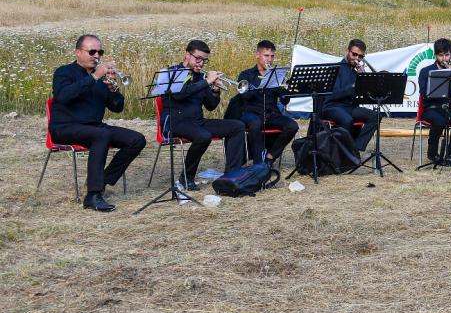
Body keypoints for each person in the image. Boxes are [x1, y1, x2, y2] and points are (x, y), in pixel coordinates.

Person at [49, 34, 146, 212]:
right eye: (92, 51)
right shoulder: (64, 72)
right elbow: (63, 96)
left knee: (137, 139)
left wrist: (113, 90)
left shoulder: (101, 79)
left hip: (93, 127)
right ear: (78, 52)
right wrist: (94, 77)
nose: (97, 56)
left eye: (100, 52)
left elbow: (117, 108)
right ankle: (92, 195)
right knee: (102, 134)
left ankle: (102, 181)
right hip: (65, 126)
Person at [161, 39, 246, 190]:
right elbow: (179, 95)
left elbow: (211, 106)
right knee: (203, 136)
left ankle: (232, 174)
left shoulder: (201, 77)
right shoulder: (173, 72)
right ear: (187, 54)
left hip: (197, 122)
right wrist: (207, 82)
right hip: (176, 122)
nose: (200, 64)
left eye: (204, 61)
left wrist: (215, 90)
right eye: (198, 59)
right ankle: (186, 178)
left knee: (237, 126)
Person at [234, 40, 299, 167]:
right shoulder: (246, 74)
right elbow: (244, 96)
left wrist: (287, 89)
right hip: (251, 113)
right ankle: (258, 163)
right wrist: (263, 83)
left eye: (272, 56)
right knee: (256, 124)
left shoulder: (277, 75)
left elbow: (284, 101)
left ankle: (270, 157)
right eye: (266, 56)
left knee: (292, 126)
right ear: (257, 55)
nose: (269, 60)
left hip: (271, 113)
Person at [320, 39, 380, 152]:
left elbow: (365, 95)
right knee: (348, 120)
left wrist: (365, 81)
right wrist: (353, 87)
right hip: (333, 106)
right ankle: (344, 152)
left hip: (350, 107)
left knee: (376, 116)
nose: (357, 58)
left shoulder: (357, 71)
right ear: (348, 51)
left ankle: (356, 148)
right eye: (354, 54)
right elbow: (333, 95)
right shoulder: (335, 69)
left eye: (361, 56)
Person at [417, 38, 451, 166]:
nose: (444, 58)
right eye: (441, 55)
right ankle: (432, 154)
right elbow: (423, 94)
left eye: (446, 55)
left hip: (448, 108)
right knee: (439, 121)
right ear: (436, 55)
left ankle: (450, 154)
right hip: (431, 109)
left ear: (450, 54)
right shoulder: (426, 71)